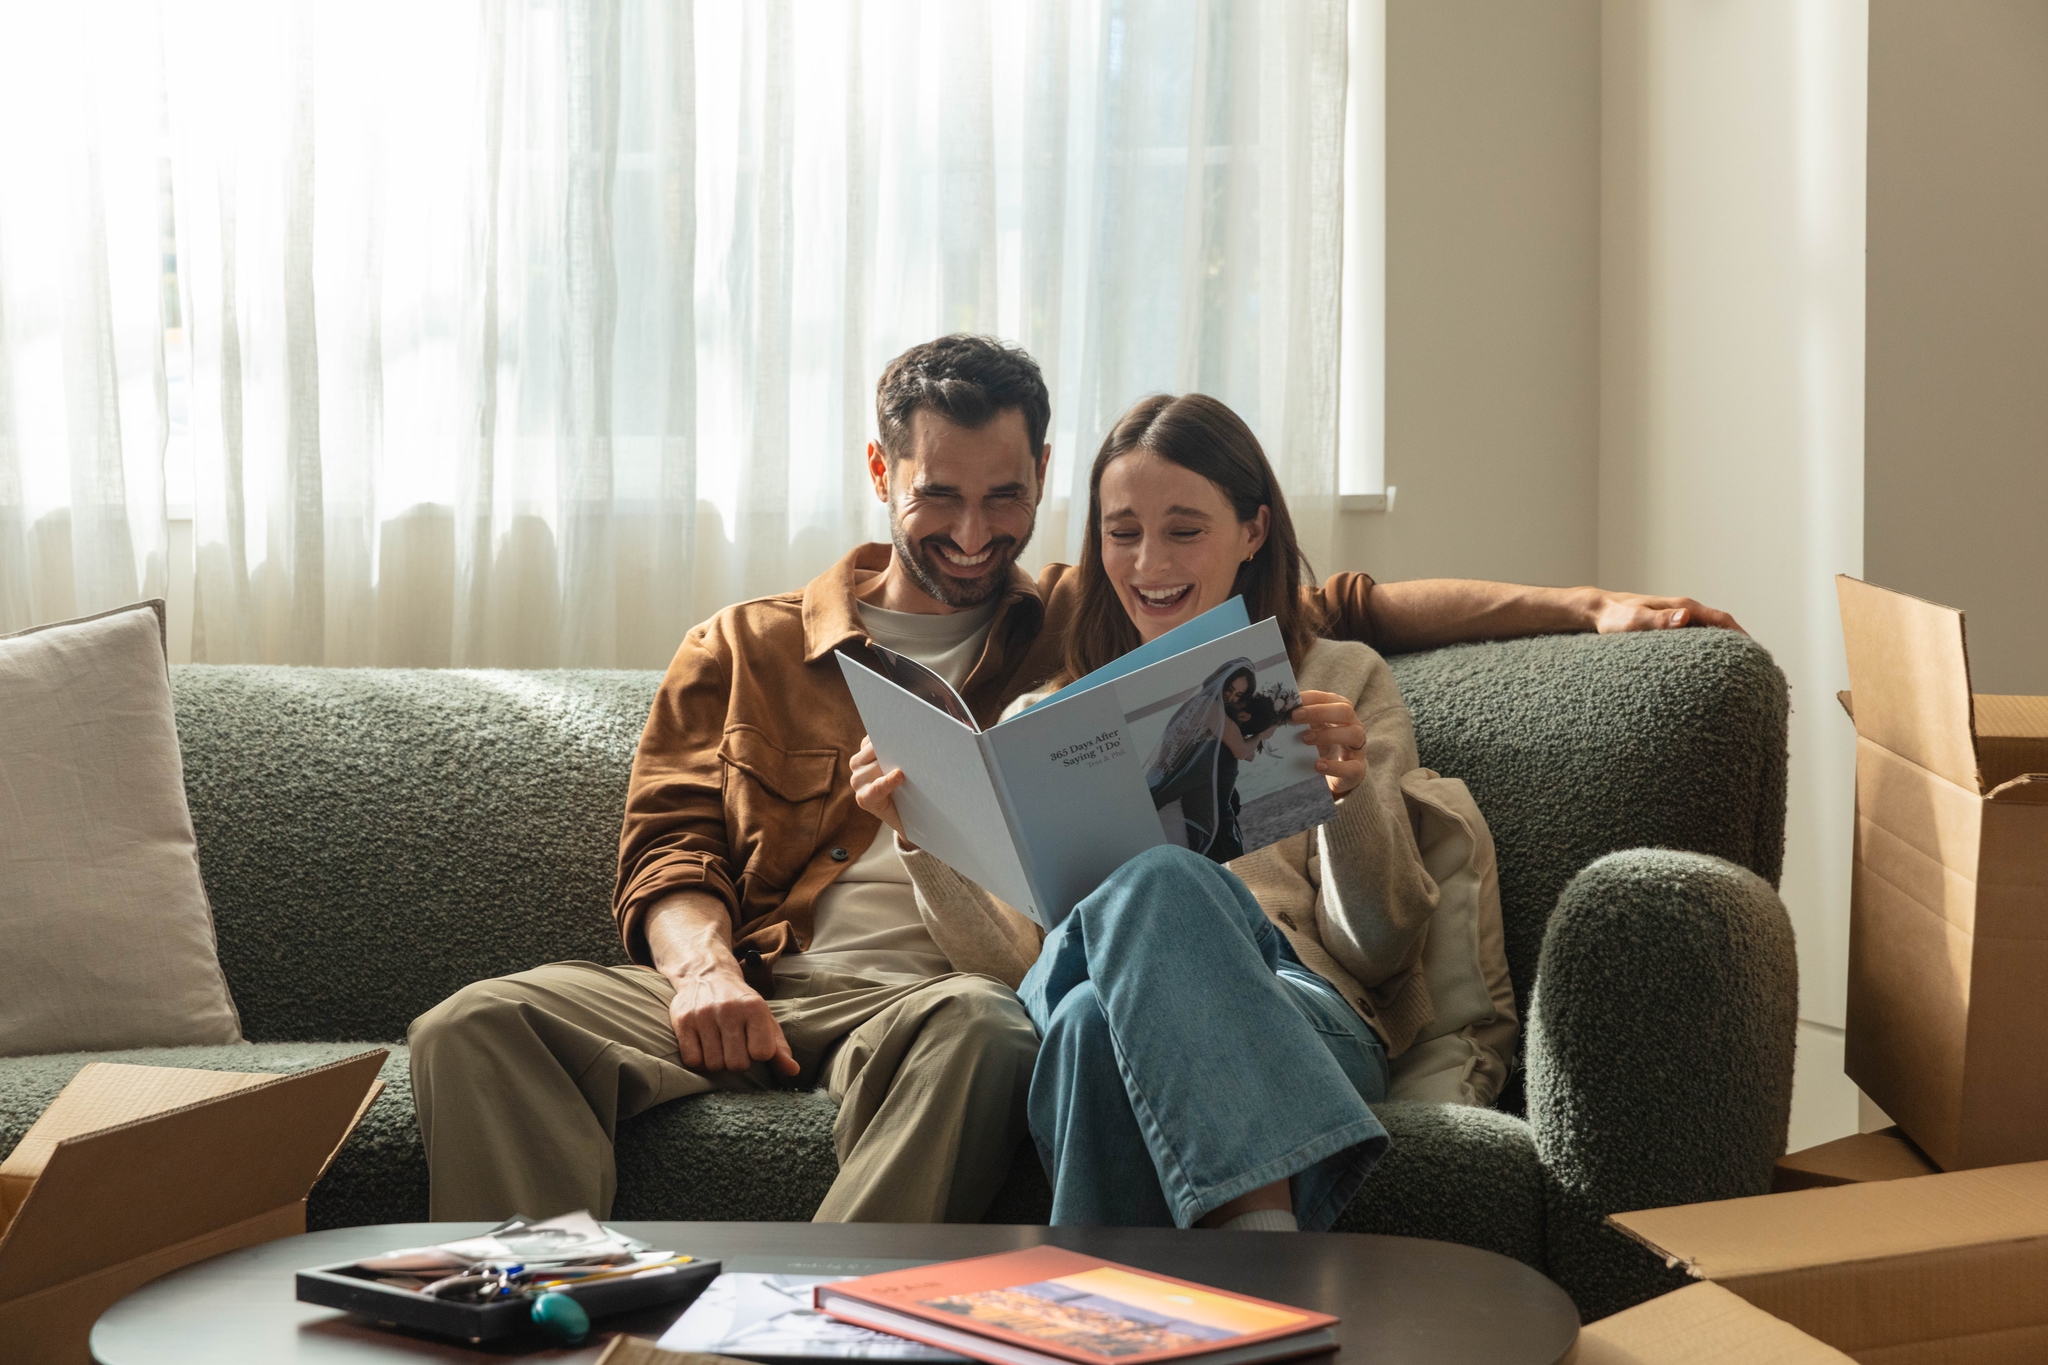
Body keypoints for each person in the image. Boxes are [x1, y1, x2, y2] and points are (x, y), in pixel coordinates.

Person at [409, 334, 1740, 1227]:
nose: (977, 534)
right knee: (477, 1022)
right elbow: (682, 856)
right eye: (942, 498)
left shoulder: (1251, 658)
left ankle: (1191, 1262)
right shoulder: (798, 650)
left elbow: (1343, 612)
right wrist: (856, 874)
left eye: (1007, 501)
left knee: (1093, 971)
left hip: (1126, 1005)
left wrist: (1581, 607)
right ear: (884, 476)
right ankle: (553, 1324)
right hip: (820, 981)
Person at [849, 392, 1460, 1230]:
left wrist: (1346, 798)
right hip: (1089, 1014)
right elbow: (1010, 968)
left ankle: (1156, 1289)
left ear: (1252, 531)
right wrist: (924, 835)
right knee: (1089, 1017)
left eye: (1184, 528)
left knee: (1157, 888)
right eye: (1122, 531)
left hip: (1297, 1017)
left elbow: (1382, 947)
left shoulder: (1338, 681)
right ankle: (1246, 1261)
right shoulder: (1042, 717)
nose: (1148, 562)